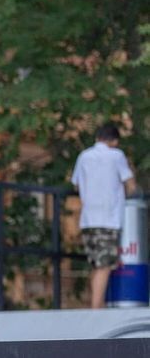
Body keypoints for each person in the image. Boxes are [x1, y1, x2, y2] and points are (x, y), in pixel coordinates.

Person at [71, 124, 138, 309]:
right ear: (114, 141)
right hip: (108, 218)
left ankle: (93, 304)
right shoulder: (116, 156)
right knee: (105, 265)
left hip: (87, 219)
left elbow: (76, 184)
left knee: (95, 264)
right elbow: (130, 183)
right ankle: (96, 308)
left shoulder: (84, 156)